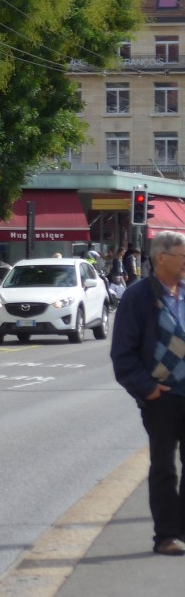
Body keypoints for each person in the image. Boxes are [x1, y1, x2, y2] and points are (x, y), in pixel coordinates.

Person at [111, 230, 185, 556]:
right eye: (183, 255)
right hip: (162, 396)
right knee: (164, 466)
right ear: (162, 258)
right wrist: (147, 388)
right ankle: (166, 535)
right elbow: (123, 352)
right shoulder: (138, 296)